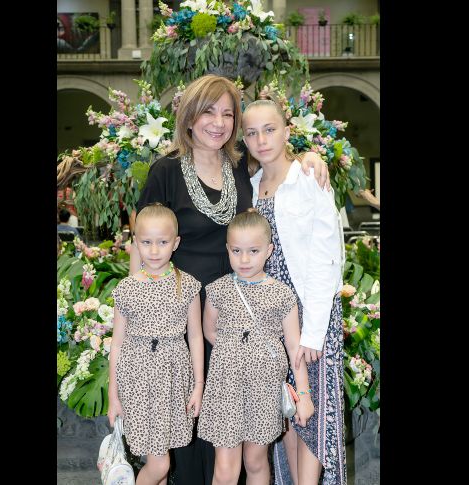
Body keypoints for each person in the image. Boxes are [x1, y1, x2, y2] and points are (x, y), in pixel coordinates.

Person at [130, 73, 331, 485]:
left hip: (236, 318)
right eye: (208, 111)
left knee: (239, 442)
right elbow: (143, 244)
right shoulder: (165, 172)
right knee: (185, 427)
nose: (218, 122)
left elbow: (282, 168)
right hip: (180, 320)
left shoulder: (244, 169)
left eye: (227, 113)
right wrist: (138, 317)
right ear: (189, 117)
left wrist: (312, 158)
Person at [242, 97, 347, 484]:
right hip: (270, 319)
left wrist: (314, 331)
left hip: (309, 314)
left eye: (269, 129)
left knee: (313, 415)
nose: (261, 139)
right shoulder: (251, 187)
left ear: (287, 131)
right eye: (252, 133)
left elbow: (327, 259)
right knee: (285, 412)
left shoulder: (307, 178)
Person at [198, 210, 314, 485]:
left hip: (264, 389)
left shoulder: (282, 294)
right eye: (236, 251)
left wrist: (304, 394)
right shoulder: (217, 290)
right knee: (225, 471)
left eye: (253, 250)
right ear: (227, 249)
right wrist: (236, 354)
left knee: (255, 461)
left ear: (269, 250)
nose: (245, 259)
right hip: (225, 388)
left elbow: (294, 346)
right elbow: (210, 330)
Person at [107, 203, 205, 485]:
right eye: (146, 242)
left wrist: (198, 385)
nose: (153, 250)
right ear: (135, 242)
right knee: (159, 462)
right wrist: (113, 395)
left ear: (175, 243)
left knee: (158, 459)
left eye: (162, 242)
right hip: (136, 378)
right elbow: (117, 344)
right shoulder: (126, 288)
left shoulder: (187, 285)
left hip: (173, 377)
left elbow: (196, 336)